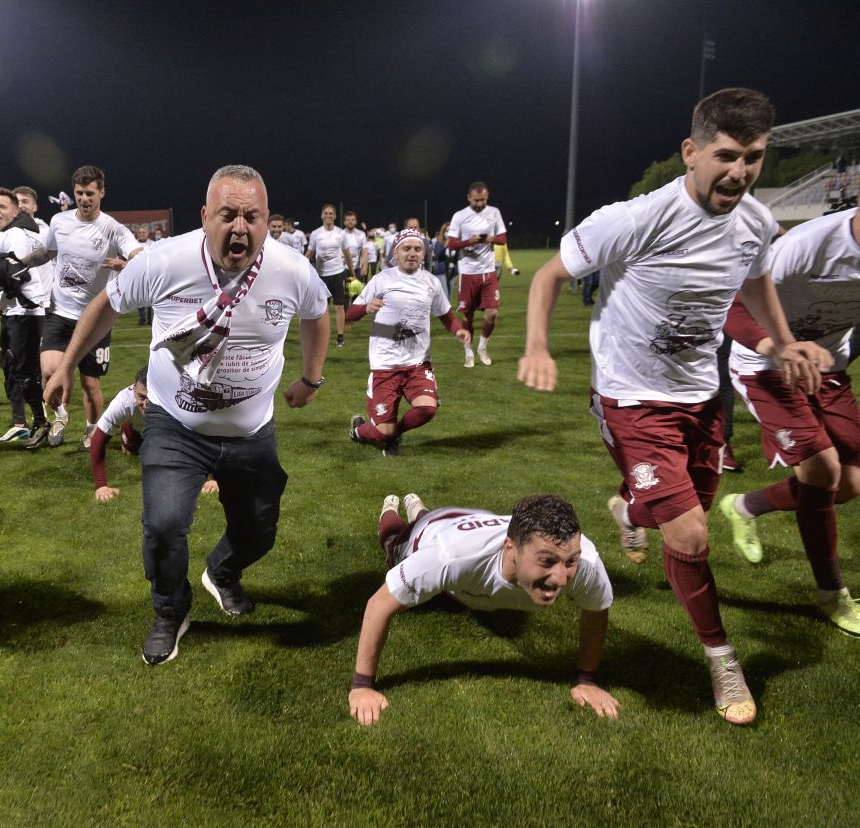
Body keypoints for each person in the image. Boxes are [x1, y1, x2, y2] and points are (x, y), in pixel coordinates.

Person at [517, 88, 825, 725]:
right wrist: (539, 347)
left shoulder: (757, 224)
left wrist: (786, 342)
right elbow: (549, 276)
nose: (740, 172)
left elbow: (757, 279)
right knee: (691, 532)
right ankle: (721, 656)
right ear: (691, 152)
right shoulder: (634, 219)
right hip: (631, 397)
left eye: (755, 158)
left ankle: (628, 509)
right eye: (727, 155)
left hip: (699, 397)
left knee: (681, 515)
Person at [44, 164, 329, 665]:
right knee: (164, 525)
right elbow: (105, 305)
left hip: (251, 431)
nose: (240, 227)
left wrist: (310, 377)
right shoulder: (165, 259)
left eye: (252, 216)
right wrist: (67, 364)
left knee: (260, 531)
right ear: (205, 216)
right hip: (176, 425)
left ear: (267, 221)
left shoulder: (291, 268)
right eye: (228, 214)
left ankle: (222, 572)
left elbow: (319, 312)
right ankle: (170, 609)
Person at [349, 493, 618, 726]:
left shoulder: (587, 563)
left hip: (469, 523)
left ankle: (416, 505)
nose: (561, 578)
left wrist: (587, 680)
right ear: (510, 548)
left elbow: (596, 609)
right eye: (547, 561)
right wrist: (362, 687)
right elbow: (379, 604)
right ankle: (391, 507)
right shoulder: (449, 556)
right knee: (393, 539)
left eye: (570, 561)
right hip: (431, 534)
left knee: (425, 519)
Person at [718, 207, 860, 635]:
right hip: (764, 365)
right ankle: (831, 594)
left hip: (827, 365)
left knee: (851, 483)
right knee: (822, 468)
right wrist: (778, 345)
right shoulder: (805, 245)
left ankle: (745, 506)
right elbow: (732, 307)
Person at [31, 165, 142, 450]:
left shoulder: (113, 228)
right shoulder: (59, 221)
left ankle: (92, 429)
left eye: (90, 193)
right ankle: (61, 417)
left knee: (89, 384)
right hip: (60, 313)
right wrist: (18, 263)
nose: (84, 198)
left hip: (95, 319)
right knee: (49, 374)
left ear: (101, 193)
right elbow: (48, 252)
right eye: (79, 193)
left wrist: (126, 263)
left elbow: (140, 256)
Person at [346, 229, 468, 456]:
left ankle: (395, 434)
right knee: (381, 432)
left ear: (424, 253)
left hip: (418, 363)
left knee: (427, 409)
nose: (412, 253)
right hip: (385, 366)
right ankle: (359, 431)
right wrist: (366, 307)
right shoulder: (381, 280)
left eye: (417, 249)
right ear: (396, 252)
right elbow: (349, 314)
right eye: (407, 248)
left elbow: (445, 315)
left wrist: (458, 330)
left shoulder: (431, 282)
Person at [88, 365, 220, 502]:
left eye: (150, 397)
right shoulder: (123, 402)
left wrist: (214, 479)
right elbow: (98, 440)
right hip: (138, 429)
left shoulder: (177, 399)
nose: (146, 404)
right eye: (141, 397)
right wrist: (101, 485)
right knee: (129, 452)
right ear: (134, 390)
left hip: (168, 429)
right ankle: (129, 428)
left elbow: (207, 434)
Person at [0, 188, 51, 446]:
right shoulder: (7, 235)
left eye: (2, 206)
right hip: (17, 310)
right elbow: (2, 274)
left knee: (25, 372)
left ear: (15, 211)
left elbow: (13, 275)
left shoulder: (15, 236)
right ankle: (31, 423)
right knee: (16, 369)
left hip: (26, 311)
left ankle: (43, 424)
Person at [447, 182, 508, 367]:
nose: (480, 203)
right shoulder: (460, 216)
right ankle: (468, 353)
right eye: (476, 200)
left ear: (487, 196)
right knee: (468, 317)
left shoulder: (494, 212)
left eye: (483, 200)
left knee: (493, 313)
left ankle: (482, 347)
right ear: (469, 198)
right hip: (468, 273)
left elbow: (503, 238)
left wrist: (491, 238)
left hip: (488, 272)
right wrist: (468, 241)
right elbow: (451, 243)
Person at [305, 203, 356, 348]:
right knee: (323, 308)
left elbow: (346, 253)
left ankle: (340, 336)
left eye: (331, 213)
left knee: (339, 306)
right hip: (322, 276)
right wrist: (300, 265)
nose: (328, 216)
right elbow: (310, 252)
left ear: (334, 216)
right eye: (325, 213)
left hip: (338, 273)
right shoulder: (316, 234)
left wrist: (351, 272)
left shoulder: (341, 233)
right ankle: (323, 335)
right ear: (322, 216)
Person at [342, 210, 367, 281]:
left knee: (357, 291)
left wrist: (364, 267)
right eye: (348, 220)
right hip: (343, 269)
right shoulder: (340, 234)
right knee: (344, 291)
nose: (350, 221)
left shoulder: (361, 234)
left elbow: (364, 252)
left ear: (356, 221)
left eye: (353, 219)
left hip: (357, 269)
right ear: (344, 222)